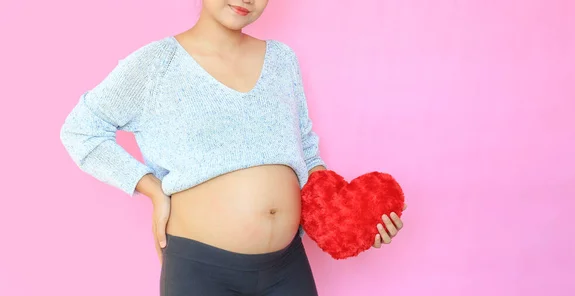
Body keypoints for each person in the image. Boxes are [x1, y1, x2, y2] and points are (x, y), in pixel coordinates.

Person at [59, 0, 406, 295]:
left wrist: (351, 221)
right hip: (201, 271)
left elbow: (307, 155)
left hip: (287, 266)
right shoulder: (155, 64)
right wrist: (152, 189)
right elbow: (80, 130)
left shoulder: (282, 60)